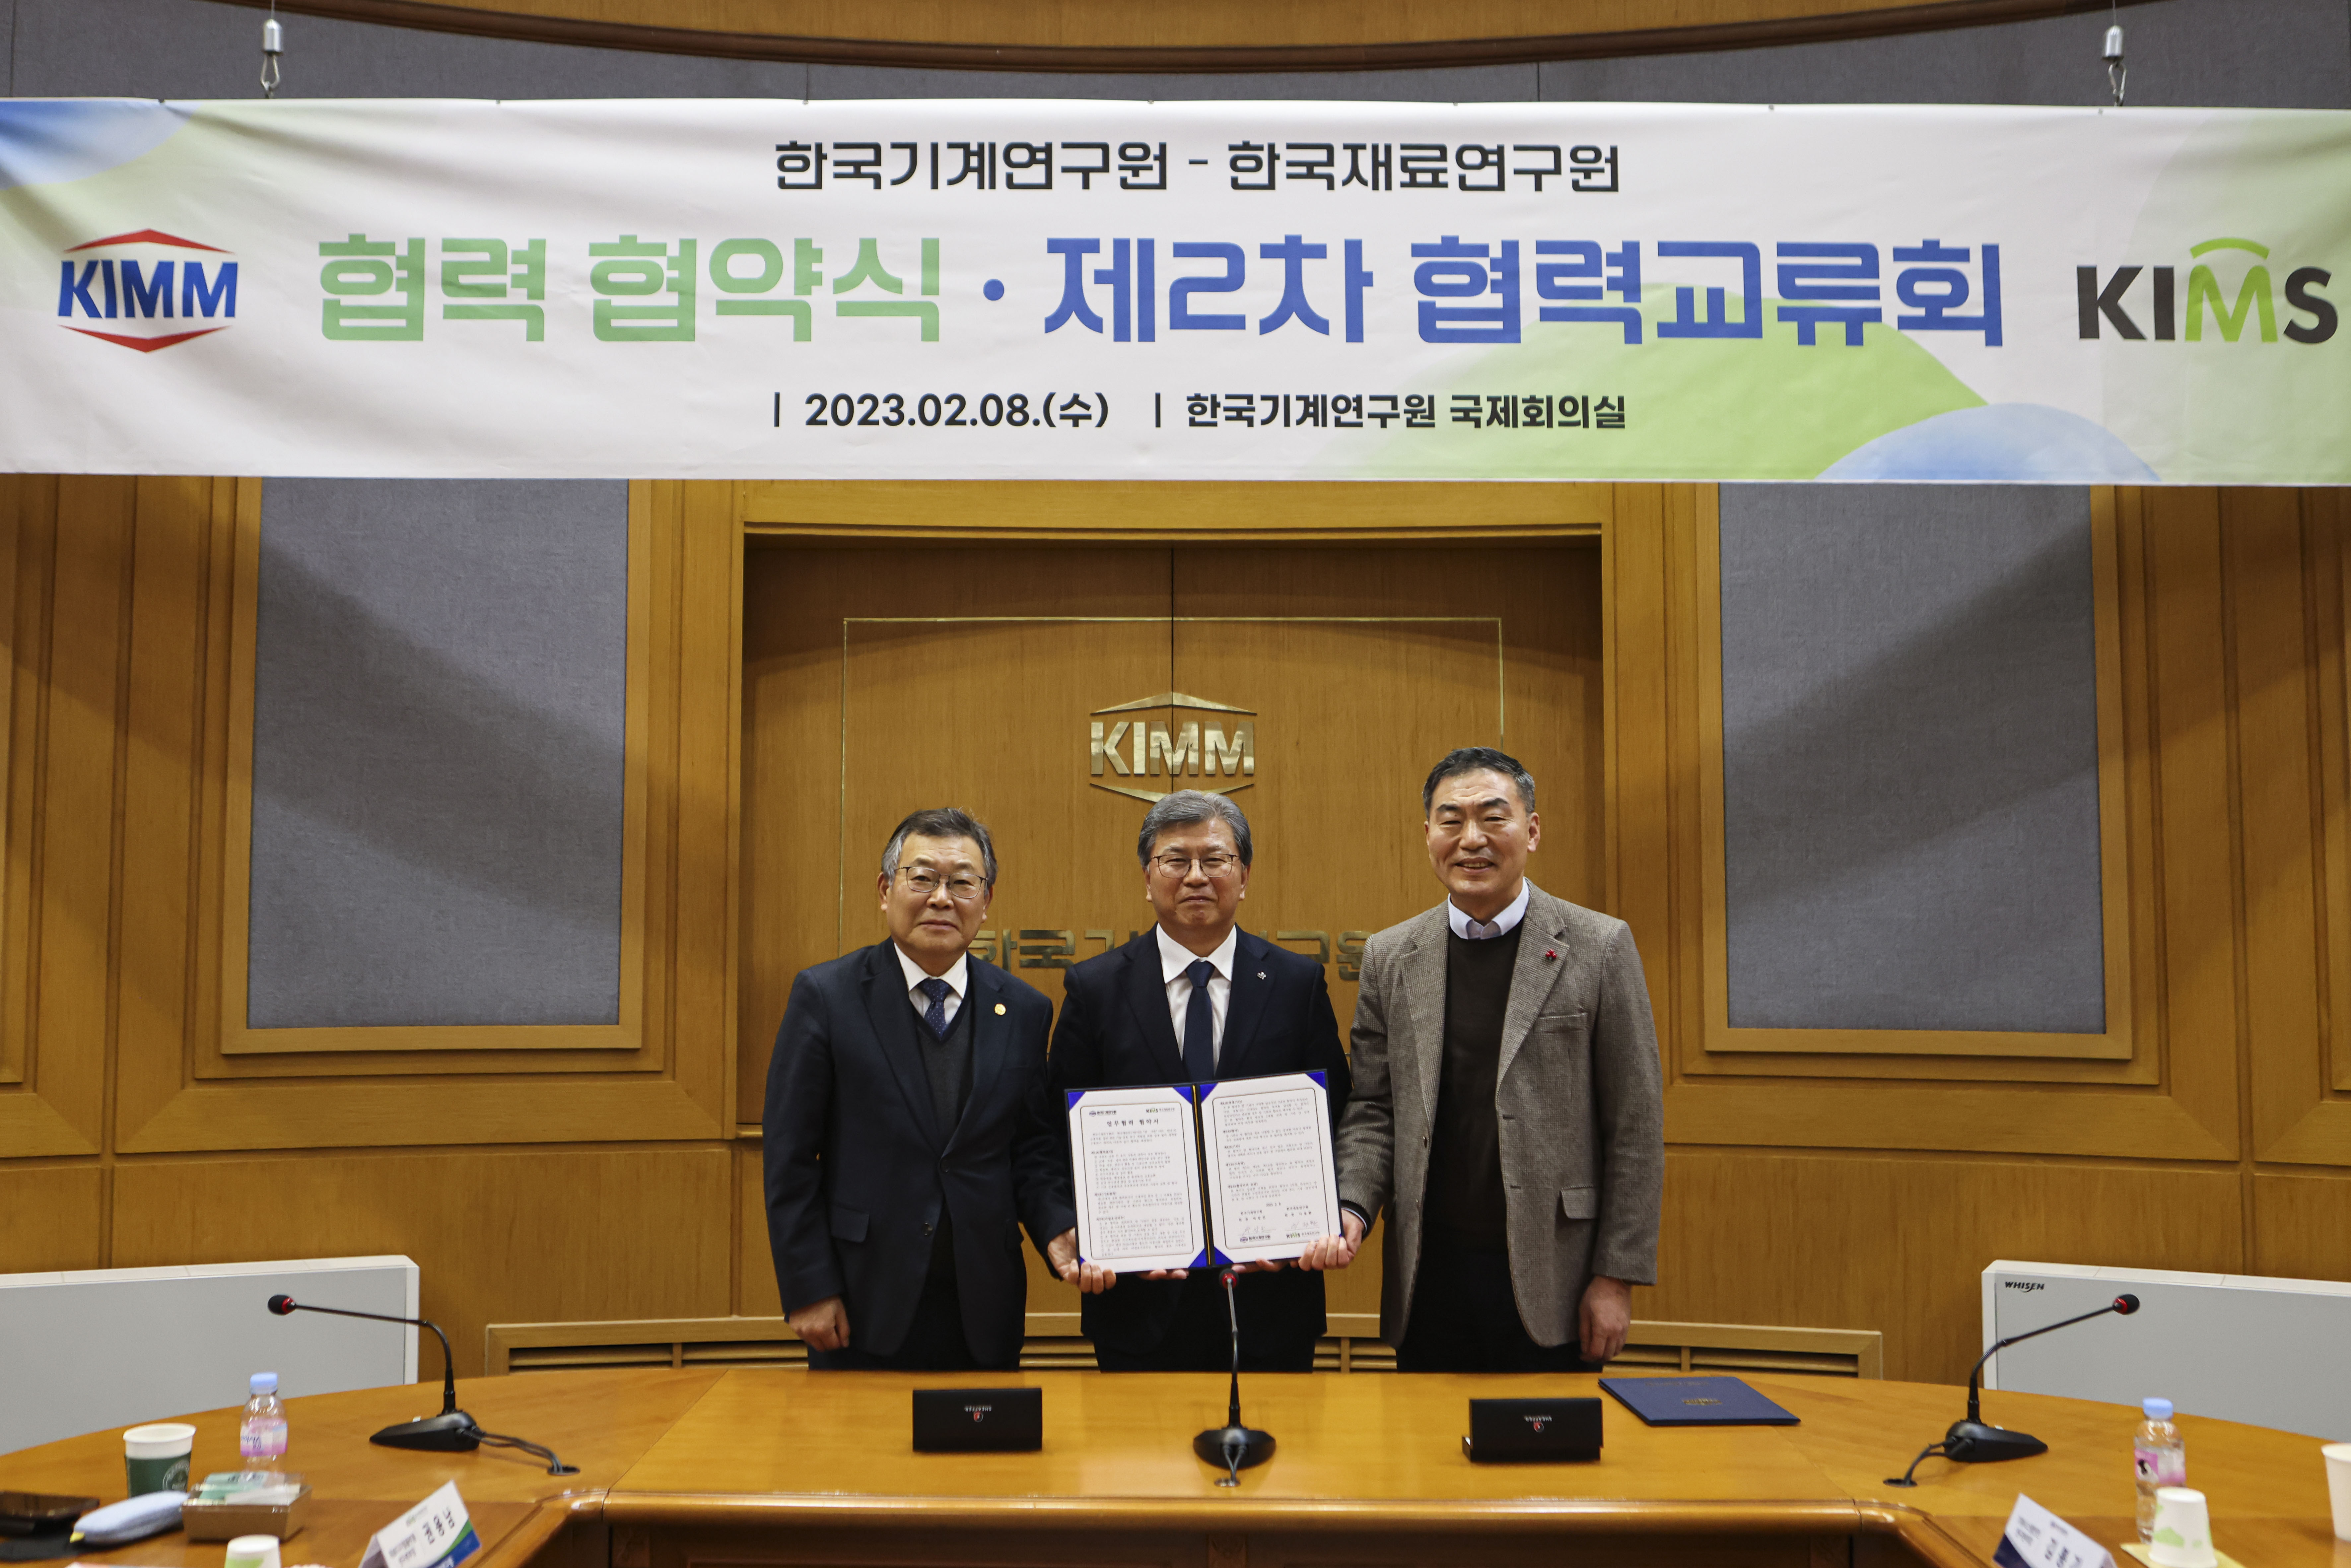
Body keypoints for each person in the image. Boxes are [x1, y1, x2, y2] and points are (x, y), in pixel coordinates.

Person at [1298, 747, 1664, 1372]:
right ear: (1429, 836)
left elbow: (1636, 1124)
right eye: (1452, 821)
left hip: (1558, 1278)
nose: (1472, 840)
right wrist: (1352, 1204)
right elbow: (1373, 1108)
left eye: (1494, 818)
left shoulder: (1599, 946)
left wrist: (1616, 1277)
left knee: (1553, 1467)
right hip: (1428, 1274)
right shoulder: (1391, 956)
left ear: (1533, 830)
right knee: (1427, 1462)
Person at [1042, 790, 1351, 1372]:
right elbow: (1054, 1131)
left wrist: (1315, 1223)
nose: (1196, 877)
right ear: (1147, 876)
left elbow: (1338, 1117)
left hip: (1274, 1296)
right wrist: (1073, 1228)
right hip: (1136, 1297)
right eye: (1175, 861)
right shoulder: (1096, 988)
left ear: (1244, 874)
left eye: (1215, 860)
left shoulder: (1296, 983)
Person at [763, 808, 1071, 1370]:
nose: (941, 898)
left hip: (984, 1304)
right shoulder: (827, 997)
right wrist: (808, 1285)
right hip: (861, 1299)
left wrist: (1055, 1227)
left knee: (987, 1458)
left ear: (986, 900)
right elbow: (789, 1157)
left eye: (961, 882)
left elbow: (1030, 1149)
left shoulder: (1025, 1010)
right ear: (886, 890)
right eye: (922, 877)